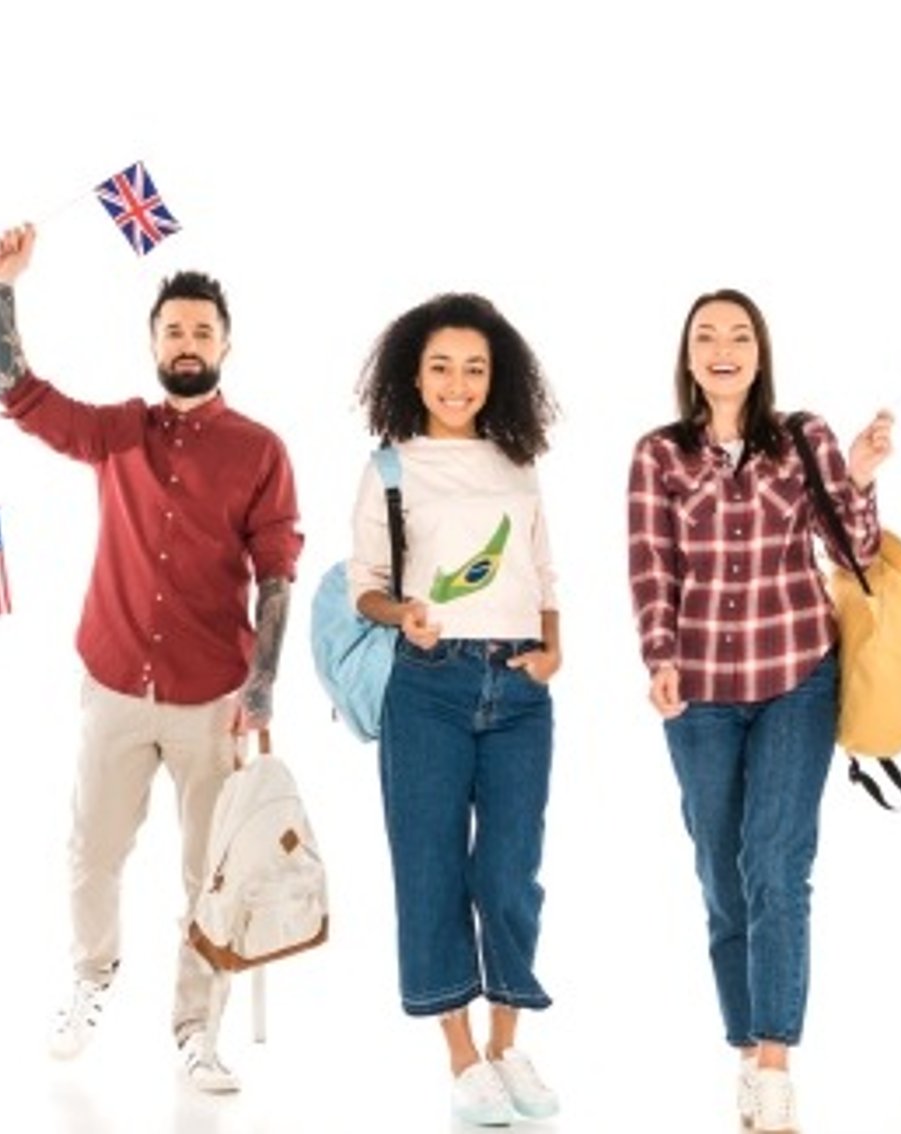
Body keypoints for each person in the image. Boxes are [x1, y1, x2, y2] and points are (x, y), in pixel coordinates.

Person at [0, 223, 303, 1091]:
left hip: (213, 695)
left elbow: (277, 573)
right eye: (174, 331)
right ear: (153, 343)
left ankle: (197, 1030)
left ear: (226, 343)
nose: (188, 343)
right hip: (116, 680)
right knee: (93, 851)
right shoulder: (119, 432)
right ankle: (92, 977)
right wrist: (2, 289)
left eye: (203, 330)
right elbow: (16, 392)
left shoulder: (260, 450)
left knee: (209, 871)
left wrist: (263, 690)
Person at [627, 288, 895, 1134]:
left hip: (796, 679)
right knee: (721, 872)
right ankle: (746, 1047)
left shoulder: (801, 438)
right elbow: (650, 565)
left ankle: (774, 1070)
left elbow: (857, 549)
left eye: (739, 334)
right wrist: (660, 660)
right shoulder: (658, 456)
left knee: (776, 866)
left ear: (760, 351)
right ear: (688, 357)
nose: (723, 348)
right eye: (706, 335)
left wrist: (859, 474)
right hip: (700, 691)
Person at [346, 293, 564, 1126]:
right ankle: (463, 1057)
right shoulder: (391, 468)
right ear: (414, 373)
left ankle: (509, 1047)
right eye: (441, 366)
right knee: (430, 870)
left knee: (510, 875)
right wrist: (404, 615)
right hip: (427, 686)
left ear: (495, 377)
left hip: (518, 691)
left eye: (474, 368)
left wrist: (555, 648)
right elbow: (364, 581)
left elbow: (543, 572)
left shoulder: (518, 461)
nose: (458, 382)